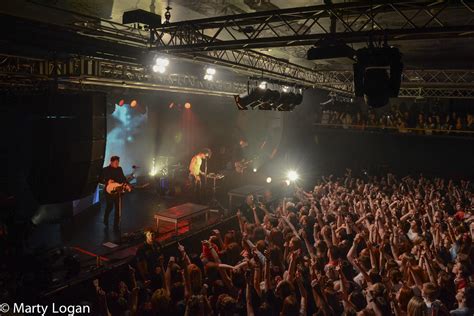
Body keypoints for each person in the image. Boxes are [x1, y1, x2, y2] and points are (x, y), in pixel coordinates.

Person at [101, 156, 130, 230]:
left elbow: (123, 178)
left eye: (118, 162)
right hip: (109, 192)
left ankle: (115, 225)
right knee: (109, 207)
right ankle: (105, 219)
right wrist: (107, 181)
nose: (117, 164)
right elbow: (100, 179)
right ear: (111, 162)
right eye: (115, 162)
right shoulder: (105, 170)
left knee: (118, 208)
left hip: (118, 191)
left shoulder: (119, 169)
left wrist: (127, 185)